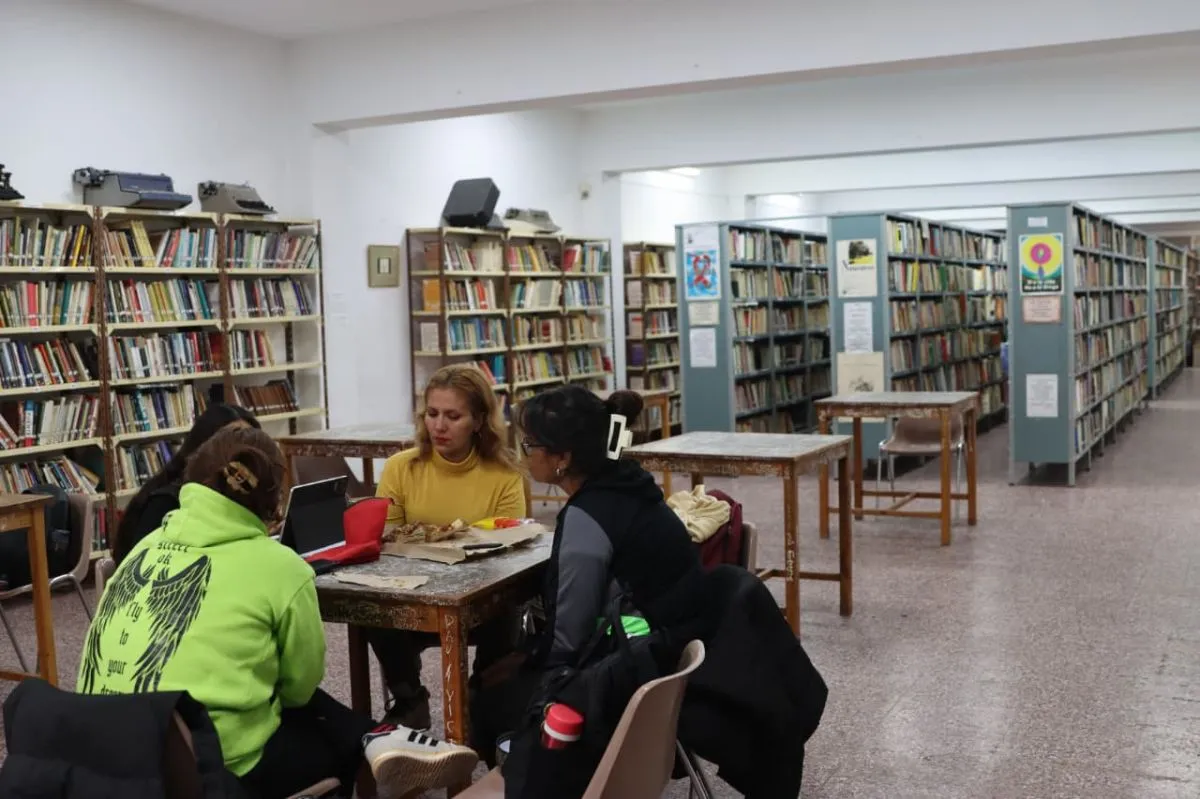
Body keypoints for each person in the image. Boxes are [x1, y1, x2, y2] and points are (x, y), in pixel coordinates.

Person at [77, 426, 479, 799]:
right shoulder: (281, 567)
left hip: (104, 755)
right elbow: (298, 688)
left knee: (279, 699)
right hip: (209, 766)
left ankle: (377, 735)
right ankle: (373, 739)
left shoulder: (143, 550)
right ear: (273, 503)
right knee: (321, 735)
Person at [468, 385, 712, 761]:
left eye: (530, 445)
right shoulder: (628, 483)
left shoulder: (588, 516)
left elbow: (570, 636)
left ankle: (516, 773)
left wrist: (529, 662)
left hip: (628, 673)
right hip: (668, 653)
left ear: (562, 456)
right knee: (508, 663)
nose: (525, 455)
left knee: (485, 690)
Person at [367, 363, 527, 728]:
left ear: (479, 420)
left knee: (510, 603)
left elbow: (510, 550)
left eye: (453, 416)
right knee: (370, 608)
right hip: (413, 594)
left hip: (482, 598)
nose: (439, 426)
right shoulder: (400, 468)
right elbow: (387, 540)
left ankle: (483, 697)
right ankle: (409, 699)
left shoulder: (504, 474)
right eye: (432, 414)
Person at [111, 402, 260, 566]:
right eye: (234, 443)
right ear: (205, 446)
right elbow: (143, 568)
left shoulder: (234, 491)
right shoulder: (166, 502)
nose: (244, 453)